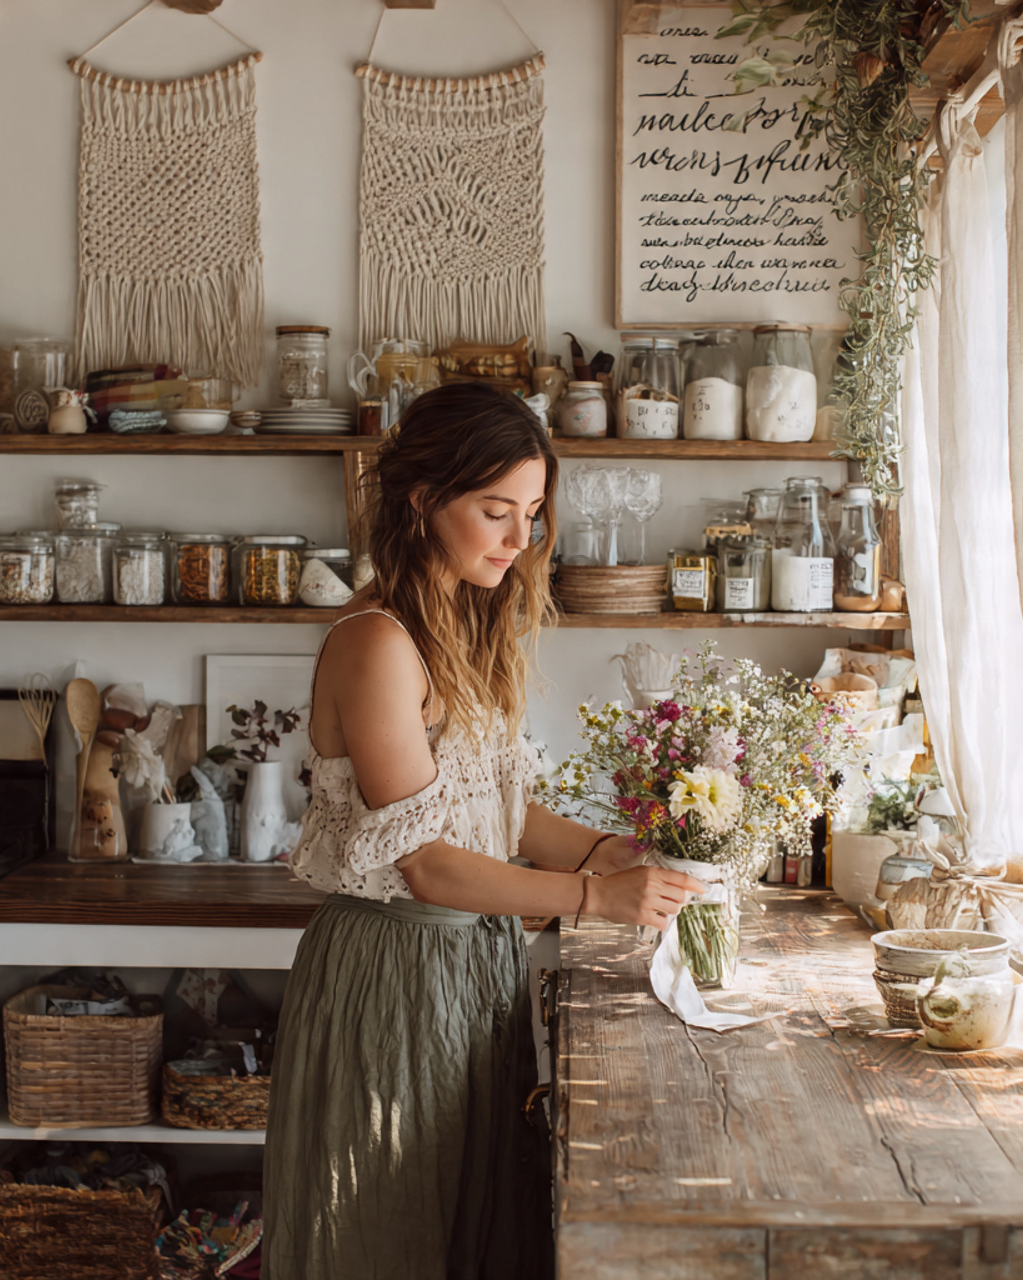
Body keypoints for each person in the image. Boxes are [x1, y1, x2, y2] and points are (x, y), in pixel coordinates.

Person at [262, 383, 703, 1279]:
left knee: (467, 1233)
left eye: (532, 515)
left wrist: (601, 850)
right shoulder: (377, 640)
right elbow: (425, 862)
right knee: (387, 1235)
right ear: (423, 500)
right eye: (495, 511)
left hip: (471, 971)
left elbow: (499, 814)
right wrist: (593, 895)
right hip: (392, 977)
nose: (518, 539)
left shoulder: (464, 623)